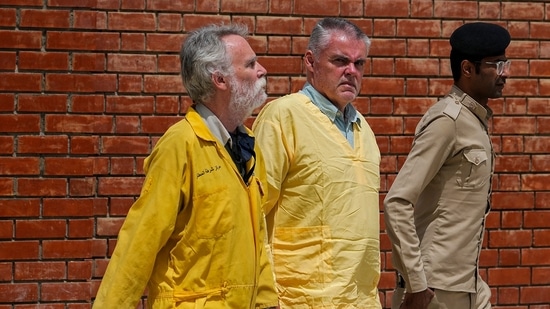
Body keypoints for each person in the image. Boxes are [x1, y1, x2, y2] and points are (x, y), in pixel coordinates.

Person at [92, 24, 279, 309]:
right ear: (220, 79)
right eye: (251, 64)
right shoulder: (180, 144)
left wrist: (267, 302)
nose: (262, 70)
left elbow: (257, 239)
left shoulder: (247, 145)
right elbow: (140, 241)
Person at [252, 17, 381, 308]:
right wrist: (262, 295)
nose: (351, 72)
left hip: (360, 300)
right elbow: (251, 212)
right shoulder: (283, 117)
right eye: (340, 61)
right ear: (311, 62)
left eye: (359, 64)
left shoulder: (364, 130)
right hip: (298, 299)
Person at [384, 22, 511, 309]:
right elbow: (398, 201)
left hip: (469, 284)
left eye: (505, 62)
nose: (505, 73)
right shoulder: (447, 121)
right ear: (468, 68)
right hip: (434, 291)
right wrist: (416, 284)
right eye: (496, 64)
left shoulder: (474, 121)